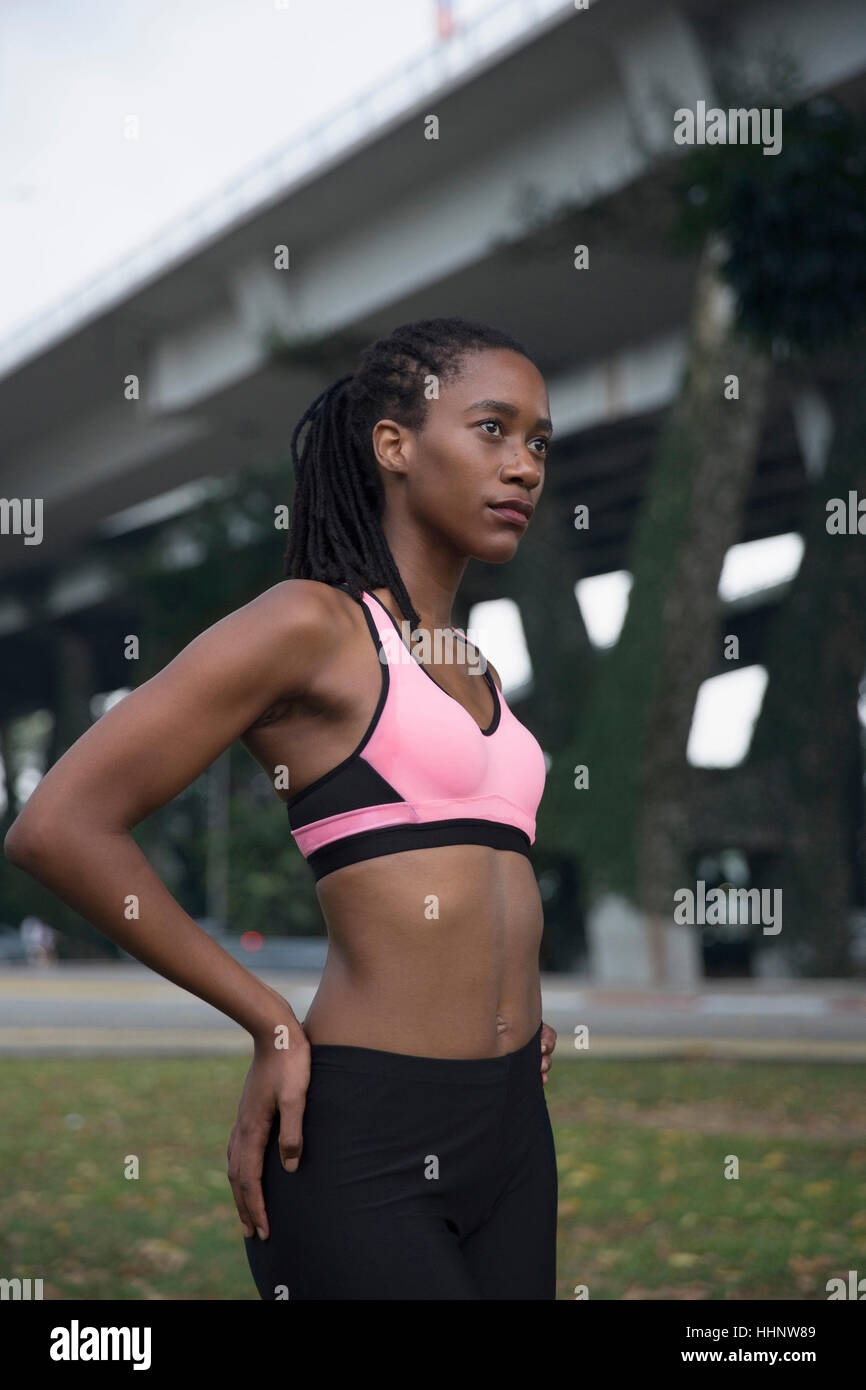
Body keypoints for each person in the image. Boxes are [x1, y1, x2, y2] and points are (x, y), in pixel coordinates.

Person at [4, 316, 559, 1300]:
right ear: (394, 444)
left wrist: (514, 1006)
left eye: (537, 443)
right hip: (364, 1137)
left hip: (514, 1126)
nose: (521, 466)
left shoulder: (472, 668)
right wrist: (266, 1020)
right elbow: (59, 824)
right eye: (491, 429)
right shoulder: (308, 625)